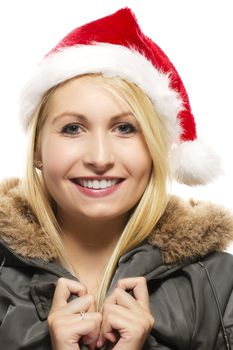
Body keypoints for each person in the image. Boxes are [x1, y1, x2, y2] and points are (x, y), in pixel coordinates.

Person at [0, 6, 233, 350]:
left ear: (155, 148)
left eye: (125, 128)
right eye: (72, 128)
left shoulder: (219, 285)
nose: (99, 158)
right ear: (37, 150)